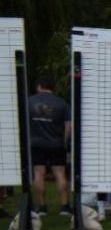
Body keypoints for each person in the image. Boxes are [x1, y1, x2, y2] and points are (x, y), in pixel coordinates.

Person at [27, 74, 71, 216]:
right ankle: (64, 207)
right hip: (56, 143)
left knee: (39, 173)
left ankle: (42, 207)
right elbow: (68, 125)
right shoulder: (62, 103)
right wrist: (64, 142)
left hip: (36, 143)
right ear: (53, 88)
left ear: (39, 86)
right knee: (60, 173)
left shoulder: (29, 102)